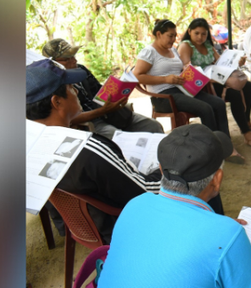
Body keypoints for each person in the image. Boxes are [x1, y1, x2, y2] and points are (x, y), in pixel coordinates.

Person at [97, 124, 251, 288]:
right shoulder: (226, 234)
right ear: (217, 179)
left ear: (161, 169)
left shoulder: (135, 204)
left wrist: (216, 228)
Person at [26, 58, 163, 242]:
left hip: (88, 228)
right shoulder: (87, 148)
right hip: (124, 228)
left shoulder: (30, 148)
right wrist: (164, 167)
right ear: (57, 102)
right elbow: (146, 190)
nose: (76, 91)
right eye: (70, 88)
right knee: (195, 174)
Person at [133, 19, 239, 158]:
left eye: (175, 35)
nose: (173, 39)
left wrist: (188, 71)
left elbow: (180, 67)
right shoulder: (149, 52)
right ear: (159, 34)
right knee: (205, 108)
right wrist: (165, 79)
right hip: (164, 96)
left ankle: (226, 144)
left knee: (218, 103)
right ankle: (213, 149)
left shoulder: (172, 50)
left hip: (182, 89)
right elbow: (137, 76)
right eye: (170, 36)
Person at [41, 38, 164, 139]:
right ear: (52, 62)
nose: (74, 60)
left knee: (153, 126)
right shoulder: (52, 84)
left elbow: (100, 91)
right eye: (67, 59)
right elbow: (70, 117)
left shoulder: (81, 69)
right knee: (117, 139)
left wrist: (118, 96)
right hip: (92, 122)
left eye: (73, 55)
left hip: (110, 113)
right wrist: (102, 111)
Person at [178, 18, 251, 149]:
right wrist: (207, 75)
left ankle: (247, 122)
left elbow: (222, 63)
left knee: (248, 86)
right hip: (203, 84)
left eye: (204, 34)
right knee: (234, 94)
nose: (200, 37)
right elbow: (187, 68)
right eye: (196, 33)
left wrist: (237, 62)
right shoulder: (186, 45)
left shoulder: (208, 46)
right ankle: (246, 134)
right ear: (189, 31)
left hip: (216, 78)